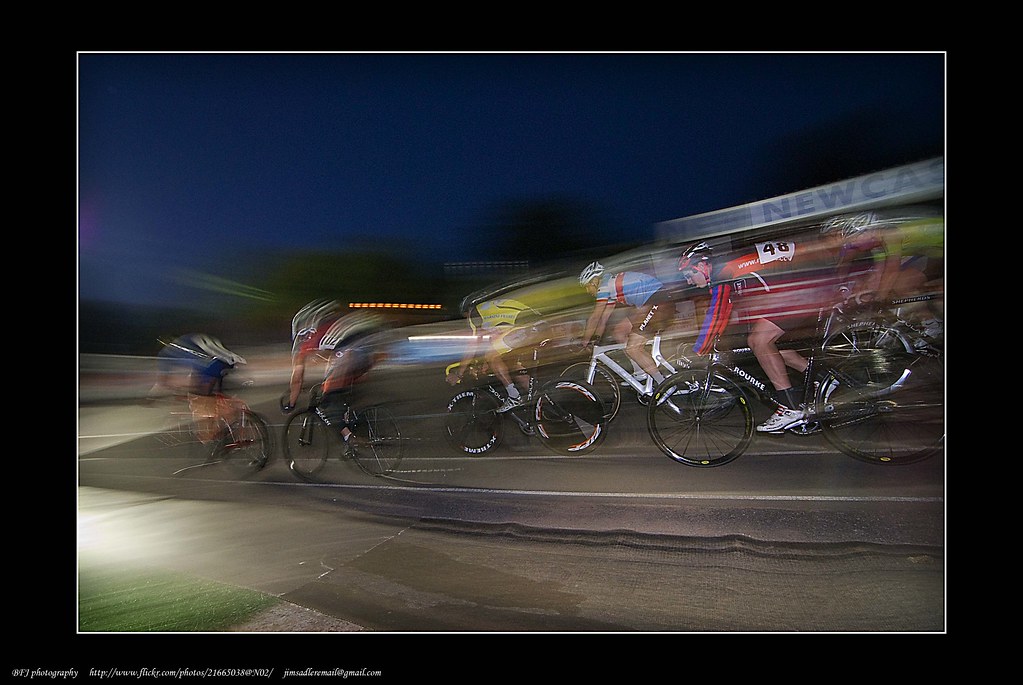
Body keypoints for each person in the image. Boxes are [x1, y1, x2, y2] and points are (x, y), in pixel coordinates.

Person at [677, 239, 830, 433]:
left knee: (758, 340)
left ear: (701, 266)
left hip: (809, 283)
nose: (689, 281)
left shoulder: (723, 272)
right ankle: (824, 379)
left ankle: (789, 408)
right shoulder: (731, 266)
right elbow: (727, 312)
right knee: (769, 346)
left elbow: (717, 314)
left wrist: (697, 350)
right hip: (812, 281)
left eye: (689, 275)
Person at [819, 208, 944, 339]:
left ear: (867, 231)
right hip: (929, 251)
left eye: (854, 239)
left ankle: (932, 326)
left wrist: (879, 299)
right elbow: (879, 273)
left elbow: (891, 270)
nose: (852, 245)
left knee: (901, 283)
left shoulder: (890, 233)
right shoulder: (877, 243)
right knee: (883, 285)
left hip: (940, 245)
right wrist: (870, 294)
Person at [282, 299, 388, 451]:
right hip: (367, 348)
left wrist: (291, 403)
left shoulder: (304, 342)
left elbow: (297, 378)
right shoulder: (326, 329)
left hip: (352, 352)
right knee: (341, 388)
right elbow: (333, 358)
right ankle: (358, 420)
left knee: (328, 398)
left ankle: (350, 437)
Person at [578, 261, 675, 395]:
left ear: (594, 281)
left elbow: (595, 317)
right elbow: (603, 319)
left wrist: (584, 341)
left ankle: (665, 385)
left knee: (633, 348)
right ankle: (640, 372)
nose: (588, 291)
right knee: (619, 332)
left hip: (658, 302)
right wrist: (597, 339)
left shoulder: (604, 286)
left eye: (587, 286)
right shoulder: (610, 286)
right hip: (651, 303)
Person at [447, 293, 546, 413]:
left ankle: (514, 397)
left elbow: (473, 347)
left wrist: (459, 374)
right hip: (541, 326)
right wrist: (486, 363)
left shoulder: (475, 314)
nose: (466, 320)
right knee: (510, 364)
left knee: (491, 355)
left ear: (466, 311)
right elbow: (497, 339)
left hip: (526, 327)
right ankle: (539, 400)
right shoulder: (490, 311)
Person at [151, 333, 247, 398]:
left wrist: (151, 397)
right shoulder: (187, 339)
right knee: (211, 393)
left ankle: (214, 425)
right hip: (231, 359)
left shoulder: (166, 353)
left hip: (212, 363)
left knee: (200, 397)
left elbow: (163, 380)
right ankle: (231, 417)